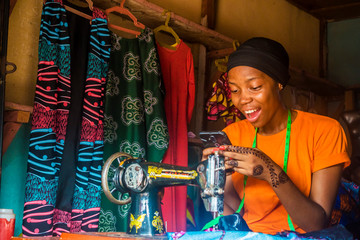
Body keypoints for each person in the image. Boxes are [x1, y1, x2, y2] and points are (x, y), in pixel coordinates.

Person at [202, 37, 351, 235]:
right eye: (235, 90)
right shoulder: (233, 134)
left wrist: (271, 172)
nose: (243, 99)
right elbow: (237, 215)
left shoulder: (325, 130)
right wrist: (211, 181)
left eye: (254, 87)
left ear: (279, 83)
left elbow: (316, 223)